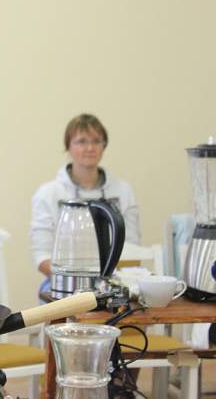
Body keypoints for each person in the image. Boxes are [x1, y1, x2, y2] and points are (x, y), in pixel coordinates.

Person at [30, 114, 141, 294]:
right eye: (81, 141)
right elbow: (41, 255)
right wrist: (75, 282)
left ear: (104, 146)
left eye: (96, 141)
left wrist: (106, 282)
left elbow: (132, 248)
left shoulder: (123, 190)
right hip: (63, 285)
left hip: (112, 284)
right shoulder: (48, 193)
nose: (89, 148)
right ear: (68, 146)